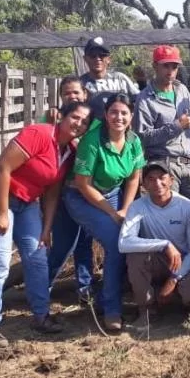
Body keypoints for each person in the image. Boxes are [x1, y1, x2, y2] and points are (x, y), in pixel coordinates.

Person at [0, 101, 91, 349]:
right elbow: (2, 168)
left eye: (84, 122)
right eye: (75, 117)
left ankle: (41, 315)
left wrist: (46, 229)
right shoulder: (39, 133)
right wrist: (2, 213)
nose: (78, 124)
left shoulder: (68, 151)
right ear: (63, 116)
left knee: (37, 256)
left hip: (27, 203)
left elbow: (52, 193)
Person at [64, 93, 145, 331]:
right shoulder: (92, 141)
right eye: (113, 112)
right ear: (106, 115)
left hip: (114, 194)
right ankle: (111, 309)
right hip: (82, 197)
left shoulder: (133, 141)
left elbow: (133, 177)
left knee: (129, 238)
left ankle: (104, 296)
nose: (118, 117)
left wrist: (126, 208)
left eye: (124, 113)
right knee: (115, 241)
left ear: (131, 116)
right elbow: (82, 184)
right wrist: (112, 212)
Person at [118, 161, 190, 330]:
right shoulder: (137, 207)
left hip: (182, 262)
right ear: (144, 184)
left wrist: (173, 279)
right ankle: (147, 311)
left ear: (171, 180)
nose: (157, 183)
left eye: (162, 178)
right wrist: (164, 244)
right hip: (155, 260)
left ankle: (171, 301)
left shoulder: (187, 207)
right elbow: (124, 242)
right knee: (135, 256)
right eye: (151, 179)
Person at [134, 45, 190, 208]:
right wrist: (176, 127)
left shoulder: (182, 90)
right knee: (170, 215)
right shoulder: (145, 98)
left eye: (174, 66)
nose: (170, 70)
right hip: (164, 166)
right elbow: (143, 137)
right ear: (155, 66)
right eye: (165, 66)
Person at [45, 76, 96, 303]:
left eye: (76, 92)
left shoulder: (93, 123)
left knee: (85, 243)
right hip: (61, 193)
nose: (72, 97)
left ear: (85, 94)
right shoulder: (52, 121)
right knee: (63, 244)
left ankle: (85, 288)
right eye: (67, 93)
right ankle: (41, 287)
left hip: (86, 193)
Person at [79, 36, 140, 119]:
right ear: (85, 58)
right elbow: (70, 108)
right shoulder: (80, 83)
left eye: (102, 55)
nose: (97, 59)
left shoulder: (120, 78)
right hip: (92, 130)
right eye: (93, 55)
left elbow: (139, 101)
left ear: (109, 59)